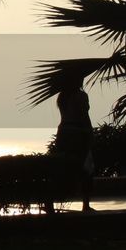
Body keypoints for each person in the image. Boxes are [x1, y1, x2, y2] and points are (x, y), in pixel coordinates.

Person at [49, 77, 95, 213]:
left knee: (63, 167)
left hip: (63, 132)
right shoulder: (81, 95)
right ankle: (85, 205)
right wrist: (90, 134)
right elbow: (84, 115)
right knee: (86, 168)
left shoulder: (62, 97)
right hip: (78, 133)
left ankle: (50, 202)